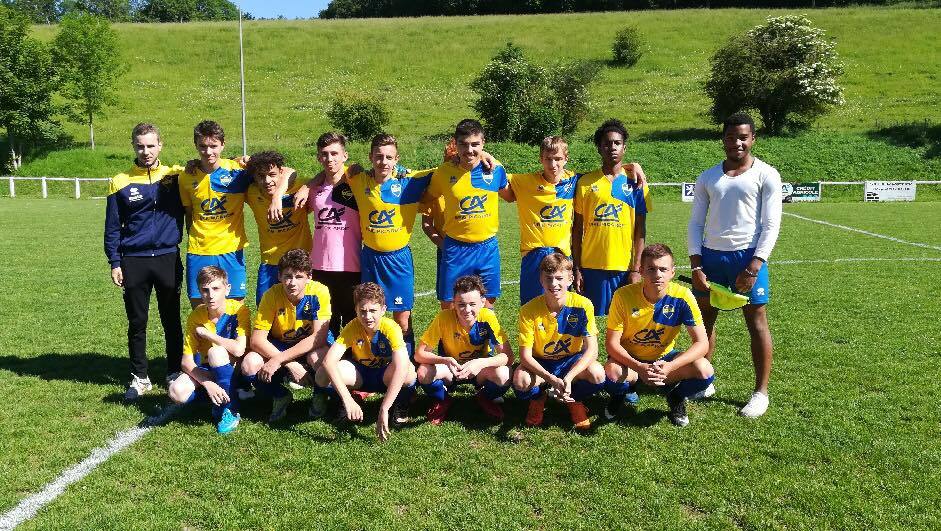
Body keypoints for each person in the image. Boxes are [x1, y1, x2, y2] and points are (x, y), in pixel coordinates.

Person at [687, 112, 782, 418]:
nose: (737, 143)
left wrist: (755, 265)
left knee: (756, 323)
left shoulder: (767, 174)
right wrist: (697, 265)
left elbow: (771, 224)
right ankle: (704, 380)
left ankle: (760, 393)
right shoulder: (708, 177)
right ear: (723, 140)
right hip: (711, 257)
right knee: (704, 321)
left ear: (753, 139)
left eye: (743, 137)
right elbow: (695, 224)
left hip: (747, 257)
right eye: (731, 137)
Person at [105, 122, 185, 401]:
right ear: (133, 146)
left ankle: (174, 371)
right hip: (134, 261)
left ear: (160, 145)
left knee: (171, 319)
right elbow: (112, 227)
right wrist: (115, 261)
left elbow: (208, 166)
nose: (146, 151)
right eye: (140, 146)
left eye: (151, 145)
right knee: (137, 322)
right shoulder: (120, 181)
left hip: (167, 257)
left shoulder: (175, 176)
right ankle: (140, 377)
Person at [603, 244, 713, 427]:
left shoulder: (683, 296)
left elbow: (702, 343)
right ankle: (622, 393)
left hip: (664, 360)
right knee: (612, 372)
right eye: (651, 269)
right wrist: (639, 367)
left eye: (663, 269)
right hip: (631, 360)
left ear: (672, 272)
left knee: (704, 369)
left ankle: (675, 396)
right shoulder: (623, 295)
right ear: (641, 271)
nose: (657, 275)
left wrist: (670, 366)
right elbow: (611, 344)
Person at [178, 120, 283, 308]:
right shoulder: (186, 176)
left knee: (235, 310)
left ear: (223, 144)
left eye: (213, 146)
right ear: (195, 145)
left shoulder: (238, 172)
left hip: (232, 250)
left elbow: (283, 170)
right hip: (199, 250)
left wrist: (277, 197)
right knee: (200, 309)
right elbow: (188, 213)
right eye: (202, 146)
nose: (208, 151)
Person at [347, 133, 434, 357]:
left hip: (398, 260)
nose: (383, 162)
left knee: (402, 318)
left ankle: (407, 361)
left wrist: (484, 155)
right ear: (370, 157)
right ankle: (373, 359)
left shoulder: (410, 181)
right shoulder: (358, 179)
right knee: (369, 315)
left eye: (389, 157)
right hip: (371, 259)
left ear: (397, 159)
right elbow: (334, 170)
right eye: (378, 156)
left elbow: (445, 170)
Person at [512, 252, 605, 431]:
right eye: (549, 278)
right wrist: (551, 379)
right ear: (541, 280)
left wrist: (569, 377)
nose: (554, 284)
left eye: (559, 278)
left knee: (597, 374)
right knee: (521, 381)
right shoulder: (528, 310)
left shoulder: (583, 305)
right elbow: (525, 357)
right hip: (541, 362)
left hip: (570, 361)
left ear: (570, 279)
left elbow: (592, 350)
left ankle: (573, 400)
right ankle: (539, 398)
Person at [314, 282, 417, 442]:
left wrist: (384, 408)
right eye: (362, 311)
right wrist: (347, 399)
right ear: (356, 310)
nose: (367, 317)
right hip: (362, 375)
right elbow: (328, 362)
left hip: (385, 376)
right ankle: (348, 401)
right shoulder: (353, 326)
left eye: (373, 311)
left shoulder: (390, 327)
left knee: (409, 372)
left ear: (383, 309)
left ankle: (400, 403)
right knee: (321, 375)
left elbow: (402, 366)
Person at [425, 119, 512, 306]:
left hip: (487, 248)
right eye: (463, 144)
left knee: (487, 305)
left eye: (475, 144)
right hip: (455, 248)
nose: (469, 150)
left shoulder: (495, 170)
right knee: (449, 306)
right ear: (455, 144)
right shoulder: (443, 172)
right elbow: (425, 197)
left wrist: (489, 157)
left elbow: (511, 196)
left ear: (483, 143)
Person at [241, 249, 332, 423]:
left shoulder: (319, 291)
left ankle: (320, 394)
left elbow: (318, 338)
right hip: (281, 344)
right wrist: (289, 363)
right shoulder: (271, 295)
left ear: (309, 277)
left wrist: (279, 359)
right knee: (249, 364)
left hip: (311, 344)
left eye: (299, 277)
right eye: (288, 276)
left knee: (320, 358)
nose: (292, 283)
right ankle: (280, 395)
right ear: (279, 276)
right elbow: (257, 340)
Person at [573, 119, 651, 317]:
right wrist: (577, 268)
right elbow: (577, 230)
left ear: (624, 147)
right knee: (593, 322)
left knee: (625, 324)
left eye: (617, 143)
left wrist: (636, 269)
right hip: (591, 267)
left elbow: (640, 230)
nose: (612, 147)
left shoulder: (636, 182)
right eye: (607, 143)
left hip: (624, 268)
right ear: (599, 148)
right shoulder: (585, 183)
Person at [415, 275, 513, 425]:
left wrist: (480, 363)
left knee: (505, 374)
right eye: (461, 304)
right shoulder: (444, 317)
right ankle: (443, 399)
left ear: (482, 302)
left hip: (479, 371)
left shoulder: (487, 317)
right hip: (452, 369)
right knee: (423, 372)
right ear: (453, 303)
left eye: (472, 304)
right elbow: (419, 354)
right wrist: (445, 360)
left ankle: (484, 397)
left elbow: (508, 356)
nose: (467, 310)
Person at [167, 266, 249, 434]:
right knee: (176, 392)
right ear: (200, 291)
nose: (210, 295)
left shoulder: (239, 310)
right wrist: (207, 383)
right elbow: (186, 361)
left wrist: (209, 335)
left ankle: (230, 410)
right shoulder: (196, 316)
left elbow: (239, 350)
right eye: (205, 290)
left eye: (216, 288)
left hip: (236, 368)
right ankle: (219, 396)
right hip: (208, 368)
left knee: (215, 352)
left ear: (227, 289)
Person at [503, 136, 580, 305]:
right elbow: (496, 172)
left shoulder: (574, 181)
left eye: (558, 159)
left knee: (561, 305)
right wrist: (484, 155)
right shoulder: (525, 181)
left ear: (566, 159)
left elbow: (604, 174)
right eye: (548, 159)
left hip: (562, 255)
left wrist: (632, 166)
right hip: (534, 254)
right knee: (532, 305)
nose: (553, 164)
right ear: (541, 159)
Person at [304, 132, 362, 339]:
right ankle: (325, 359)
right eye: (324, 154)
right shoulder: (313, 190)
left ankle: (352, 359)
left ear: (345, 155)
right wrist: (305, 186)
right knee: (326, 324)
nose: (329, 159)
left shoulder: (357, 185)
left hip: (352, 266)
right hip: (320, 267)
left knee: (353, 323)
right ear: (318, 157)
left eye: (334, 153)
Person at [244, 150, 312, 304]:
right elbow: (227, 164)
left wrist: (305, 188)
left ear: (281, 172)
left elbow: (309, 176)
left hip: (301, 261)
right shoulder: (251, 192)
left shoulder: (298, 186)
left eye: (272, 174)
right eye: (261, 176)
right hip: (270, 263)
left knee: (302, 311)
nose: (267, 180)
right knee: (265, 308)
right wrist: (242, 159)